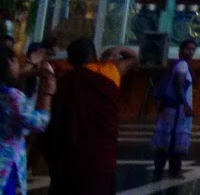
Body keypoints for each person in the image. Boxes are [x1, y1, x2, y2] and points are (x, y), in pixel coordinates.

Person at [43, 38, 134, 195]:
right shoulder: (109, 72)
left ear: (70, 59)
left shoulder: (64, 82)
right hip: (100, 158)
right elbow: (133, 58)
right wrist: (117, 49)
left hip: (69, 158)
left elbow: (53, 123)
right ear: (93, 55)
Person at [0, 40, 52, 192]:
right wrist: (47, 94)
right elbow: (39, 123)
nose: (19, 65)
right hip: (5, 162)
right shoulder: (12, 96)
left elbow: (18, 75)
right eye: (16, 61)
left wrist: (32, 66)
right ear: (8, 64)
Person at [151, 38, 197, 179]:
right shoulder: (182, 65)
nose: (191, 52)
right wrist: (185, 105)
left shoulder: (176, 64)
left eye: (193, 49)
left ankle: (160, 169)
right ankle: (174, 170)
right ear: (181, 50)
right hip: (177, 109)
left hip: (171, 108)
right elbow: (179, 86)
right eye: (188, 49)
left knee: (166, 139)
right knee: (174, 140)